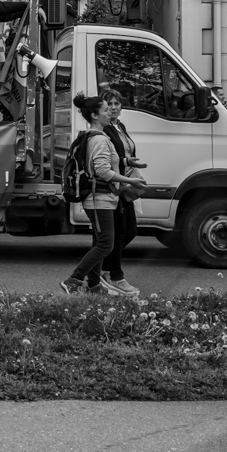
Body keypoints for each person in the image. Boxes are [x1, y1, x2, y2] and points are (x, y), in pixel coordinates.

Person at [61, 93, 147, 295]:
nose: (111, 113)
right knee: (106, 244)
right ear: (94, 115)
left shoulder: (94, 136)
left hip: (102, 199)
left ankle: (94, 285)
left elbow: (104, 163)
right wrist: (130, 180)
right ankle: (73, 279)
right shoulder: (99, 139)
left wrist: (127, 162)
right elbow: (102, 171)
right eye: (106, 110)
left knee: (100, 242)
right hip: (99, 199)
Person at [101, 87, 143, 296]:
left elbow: (123, 153)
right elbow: (109, 159)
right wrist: (126, 162)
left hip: (126, 184)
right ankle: (115, 276)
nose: (114, 107)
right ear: (103, 107)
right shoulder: (105, 128)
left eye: (117, 103)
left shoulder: (120, 126)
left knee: (130, 231)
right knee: (119, 234)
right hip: (115, 185)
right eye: (110, 104)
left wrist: (131, 162)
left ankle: (103, 268)